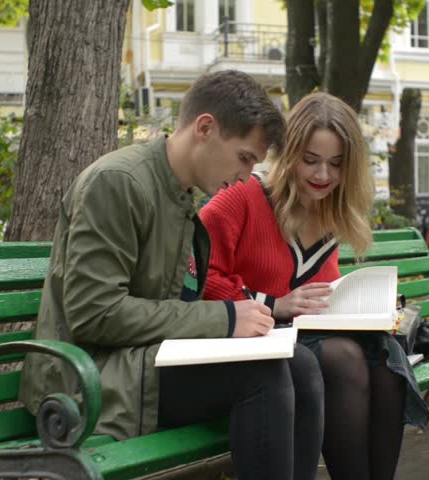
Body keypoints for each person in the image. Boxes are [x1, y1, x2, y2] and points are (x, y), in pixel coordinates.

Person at [18, 70, 324, 480]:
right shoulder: (118, 183)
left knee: (299, 363)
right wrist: (227, 318)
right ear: (205, 128)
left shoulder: (179, 194)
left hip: (142, 361)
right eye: (245, 157)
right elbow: (95, 315)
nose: (247, 175)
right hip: (88, 378)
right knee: (262, 375)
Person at [200, 92, 429, 480]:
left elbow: (323, 296)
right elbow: (200, 276)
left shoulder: (329, 212)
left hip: (302, 341)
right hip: (248, 347)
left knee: (388, 364)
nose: (323, 176)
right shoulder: (241, 197)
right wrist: (274, 304)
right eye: (311, 160)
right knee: (345, 360)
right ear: (289, 154)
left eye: (336, 164)